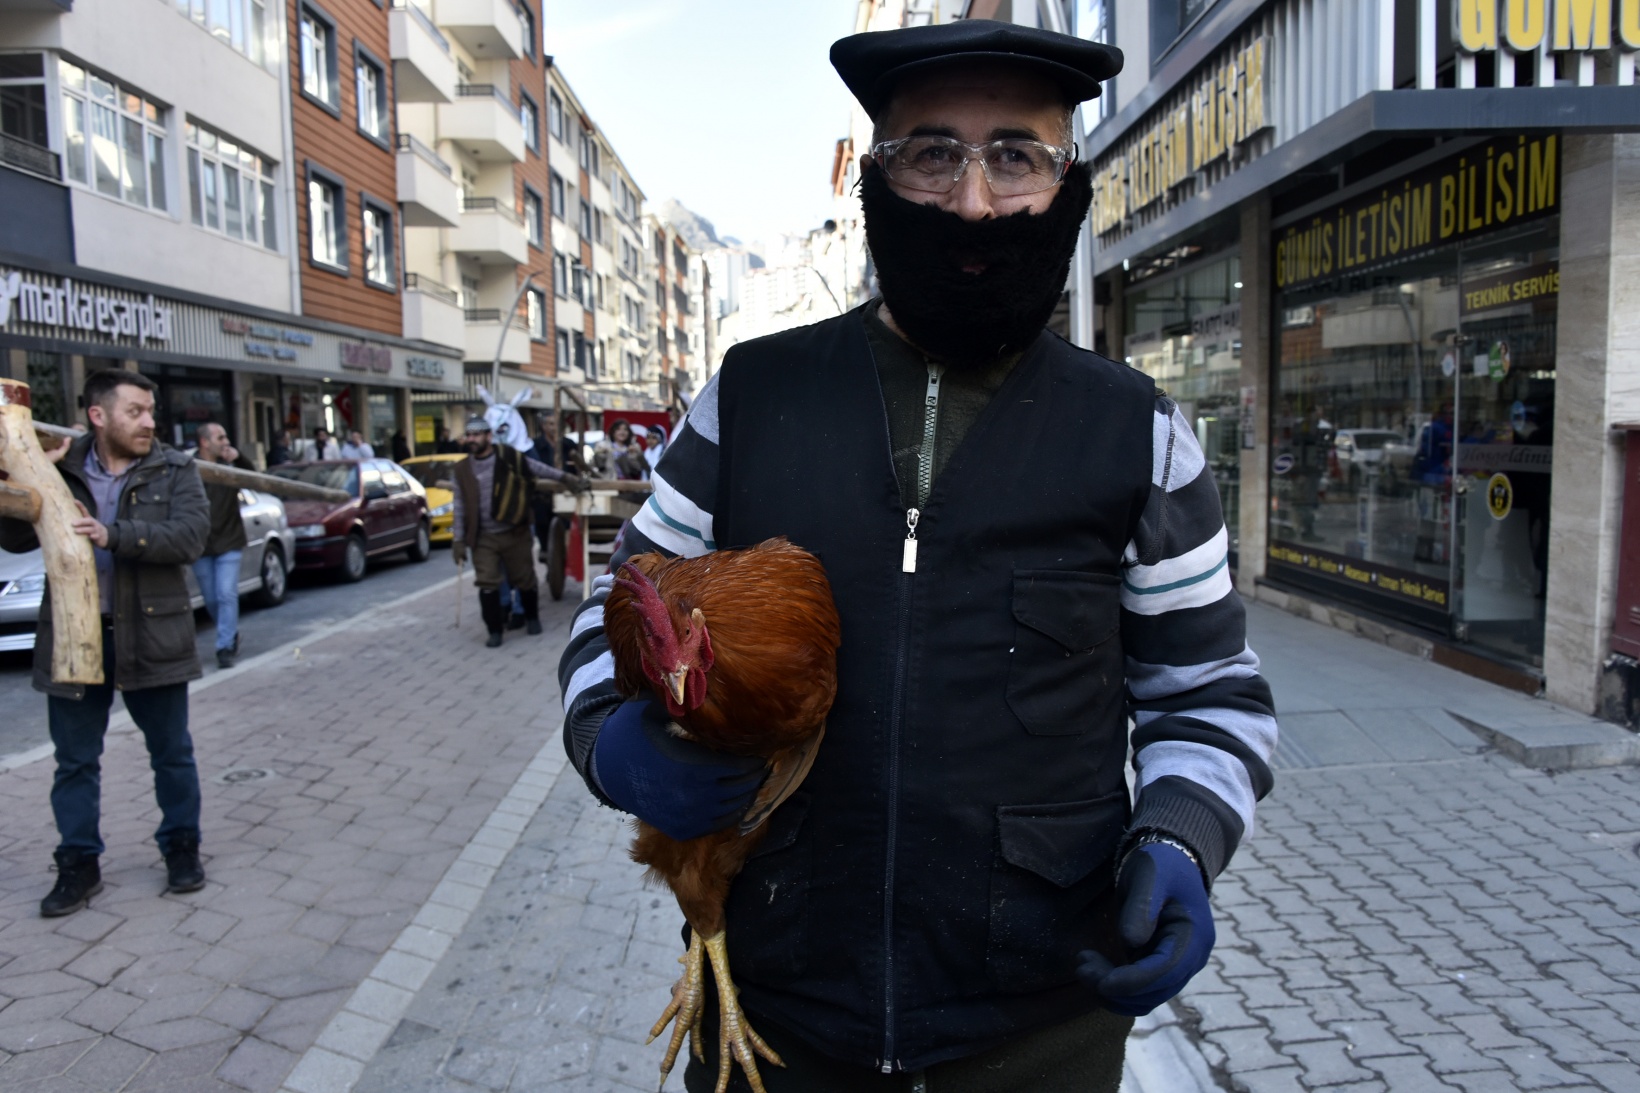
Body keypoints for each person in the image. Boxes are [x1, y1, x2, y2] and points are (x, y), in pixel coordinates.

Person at [558, 20, 1277, 1092]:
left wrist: (1178, 836)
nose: (976, 201)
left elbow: (1206, 690)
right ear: (873, 176)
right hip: (769, 1022)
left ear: (1065, 176)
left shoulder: (1137, 432)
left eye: (1015, 155)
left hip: (1038, 1030)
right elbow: (605, 614)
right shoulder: (747, 400)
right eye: (933, 153)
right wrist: (612, 738)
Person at [0, 369, 211, 917]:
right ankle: (78, 865)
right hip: (74, 637)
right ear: (99, 416)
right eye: (135, 412)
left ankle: (181, 849)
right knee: (73, 762)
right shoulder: (62, 470)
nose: (149, 422)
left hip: (153, 633)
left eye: (150, 411)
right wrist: (27, 472)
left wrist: (113, 535)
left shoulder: (175, 467)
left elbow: (190, 538)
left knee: (171, 754)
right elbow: (13, 535)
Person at [451, 416, 583, 647]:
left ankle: (532, 618)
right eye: (469, 435)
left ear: (488, 436)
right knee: (487, 582)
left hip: (515, 531)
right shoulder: (461, 469)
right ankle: (494, 630)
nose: (472, 439)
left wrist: (565, 478)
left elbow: (537, 468)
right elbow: (459, 505)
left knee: (524, 578)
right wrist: (458, 540)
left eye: (477, 434)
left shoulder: (508, 456)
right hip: (483, 537)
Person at [192, 423, 254, 669]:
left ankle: (225, 646)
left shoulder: (231, 466)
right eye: (221, 437)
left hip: (229, 540)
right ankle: (229, 631)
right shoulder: (190, 468)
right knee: (212, 598)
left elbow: (256, 479)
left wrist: (240, 459)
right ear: (205, 442)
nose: (226, 442)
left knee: (227, 593)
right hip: (201, 545)